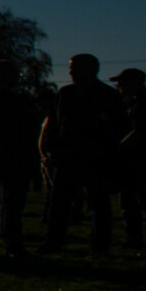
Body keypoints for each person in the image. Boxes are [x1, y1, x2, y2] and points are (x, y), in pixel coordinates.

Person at [38, 53, 122, 257]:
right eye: (70, 69)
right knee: (59, 203)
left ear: (91, 70)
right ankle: (53, 242)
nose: (71, 73)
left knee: (99, 203)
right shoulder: (65, 94)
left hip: (96, 158)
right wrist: (51, 147)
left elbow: (118, 128)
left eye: (75, 69)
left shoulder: (107, 96)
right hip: (67, 157)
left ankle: (99, 246)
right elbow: (54, 124)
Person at [0, 59, 39, 257]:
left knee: (14, 202)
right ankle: (13, 244)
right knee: (12, 203)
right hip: (11, 157)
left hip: (13, 156)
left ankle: (14, 243)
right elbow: (0, 133)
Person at [113, 68, 146, 252]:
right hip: (136, 159)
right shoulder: (134, 102)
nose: (119, 86)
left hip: (142, 159)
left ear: (135, 82)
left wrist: (118, 148)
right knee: (133, 200)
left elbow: (142, 130)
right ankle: (137, 238)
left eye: (122, 82)